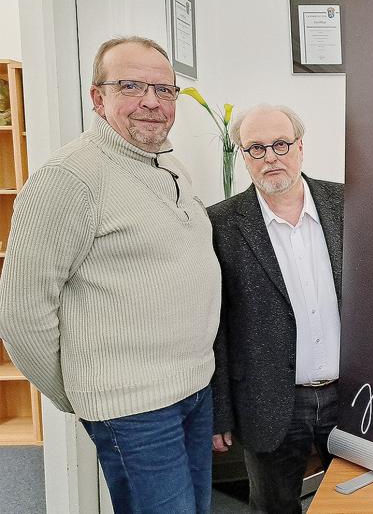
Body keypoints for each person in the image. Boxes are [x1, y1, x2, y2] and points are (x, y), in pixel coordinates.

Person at [0, 36, 220, 513]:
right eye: (130, 86)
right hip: (134, 409)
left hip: (193, 390)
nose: (150, 102)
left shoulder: (170, 166)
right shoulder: (69, 178)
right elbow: (21, 313)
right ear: (98, 98)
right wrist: (84, 391)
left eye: (164, 91)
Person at [208, 104, 343, 514]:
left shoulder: (348, 204)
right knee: (272, 507)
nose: (271, 157)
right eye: (256, 148)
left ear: (300, 147)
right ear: (244, 156)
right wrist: (221, 413)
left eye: (281, 144)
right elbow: (217, 329)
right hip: (268, 404)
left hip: (352, 397)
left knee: (356, 503)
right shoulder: (220, 224)